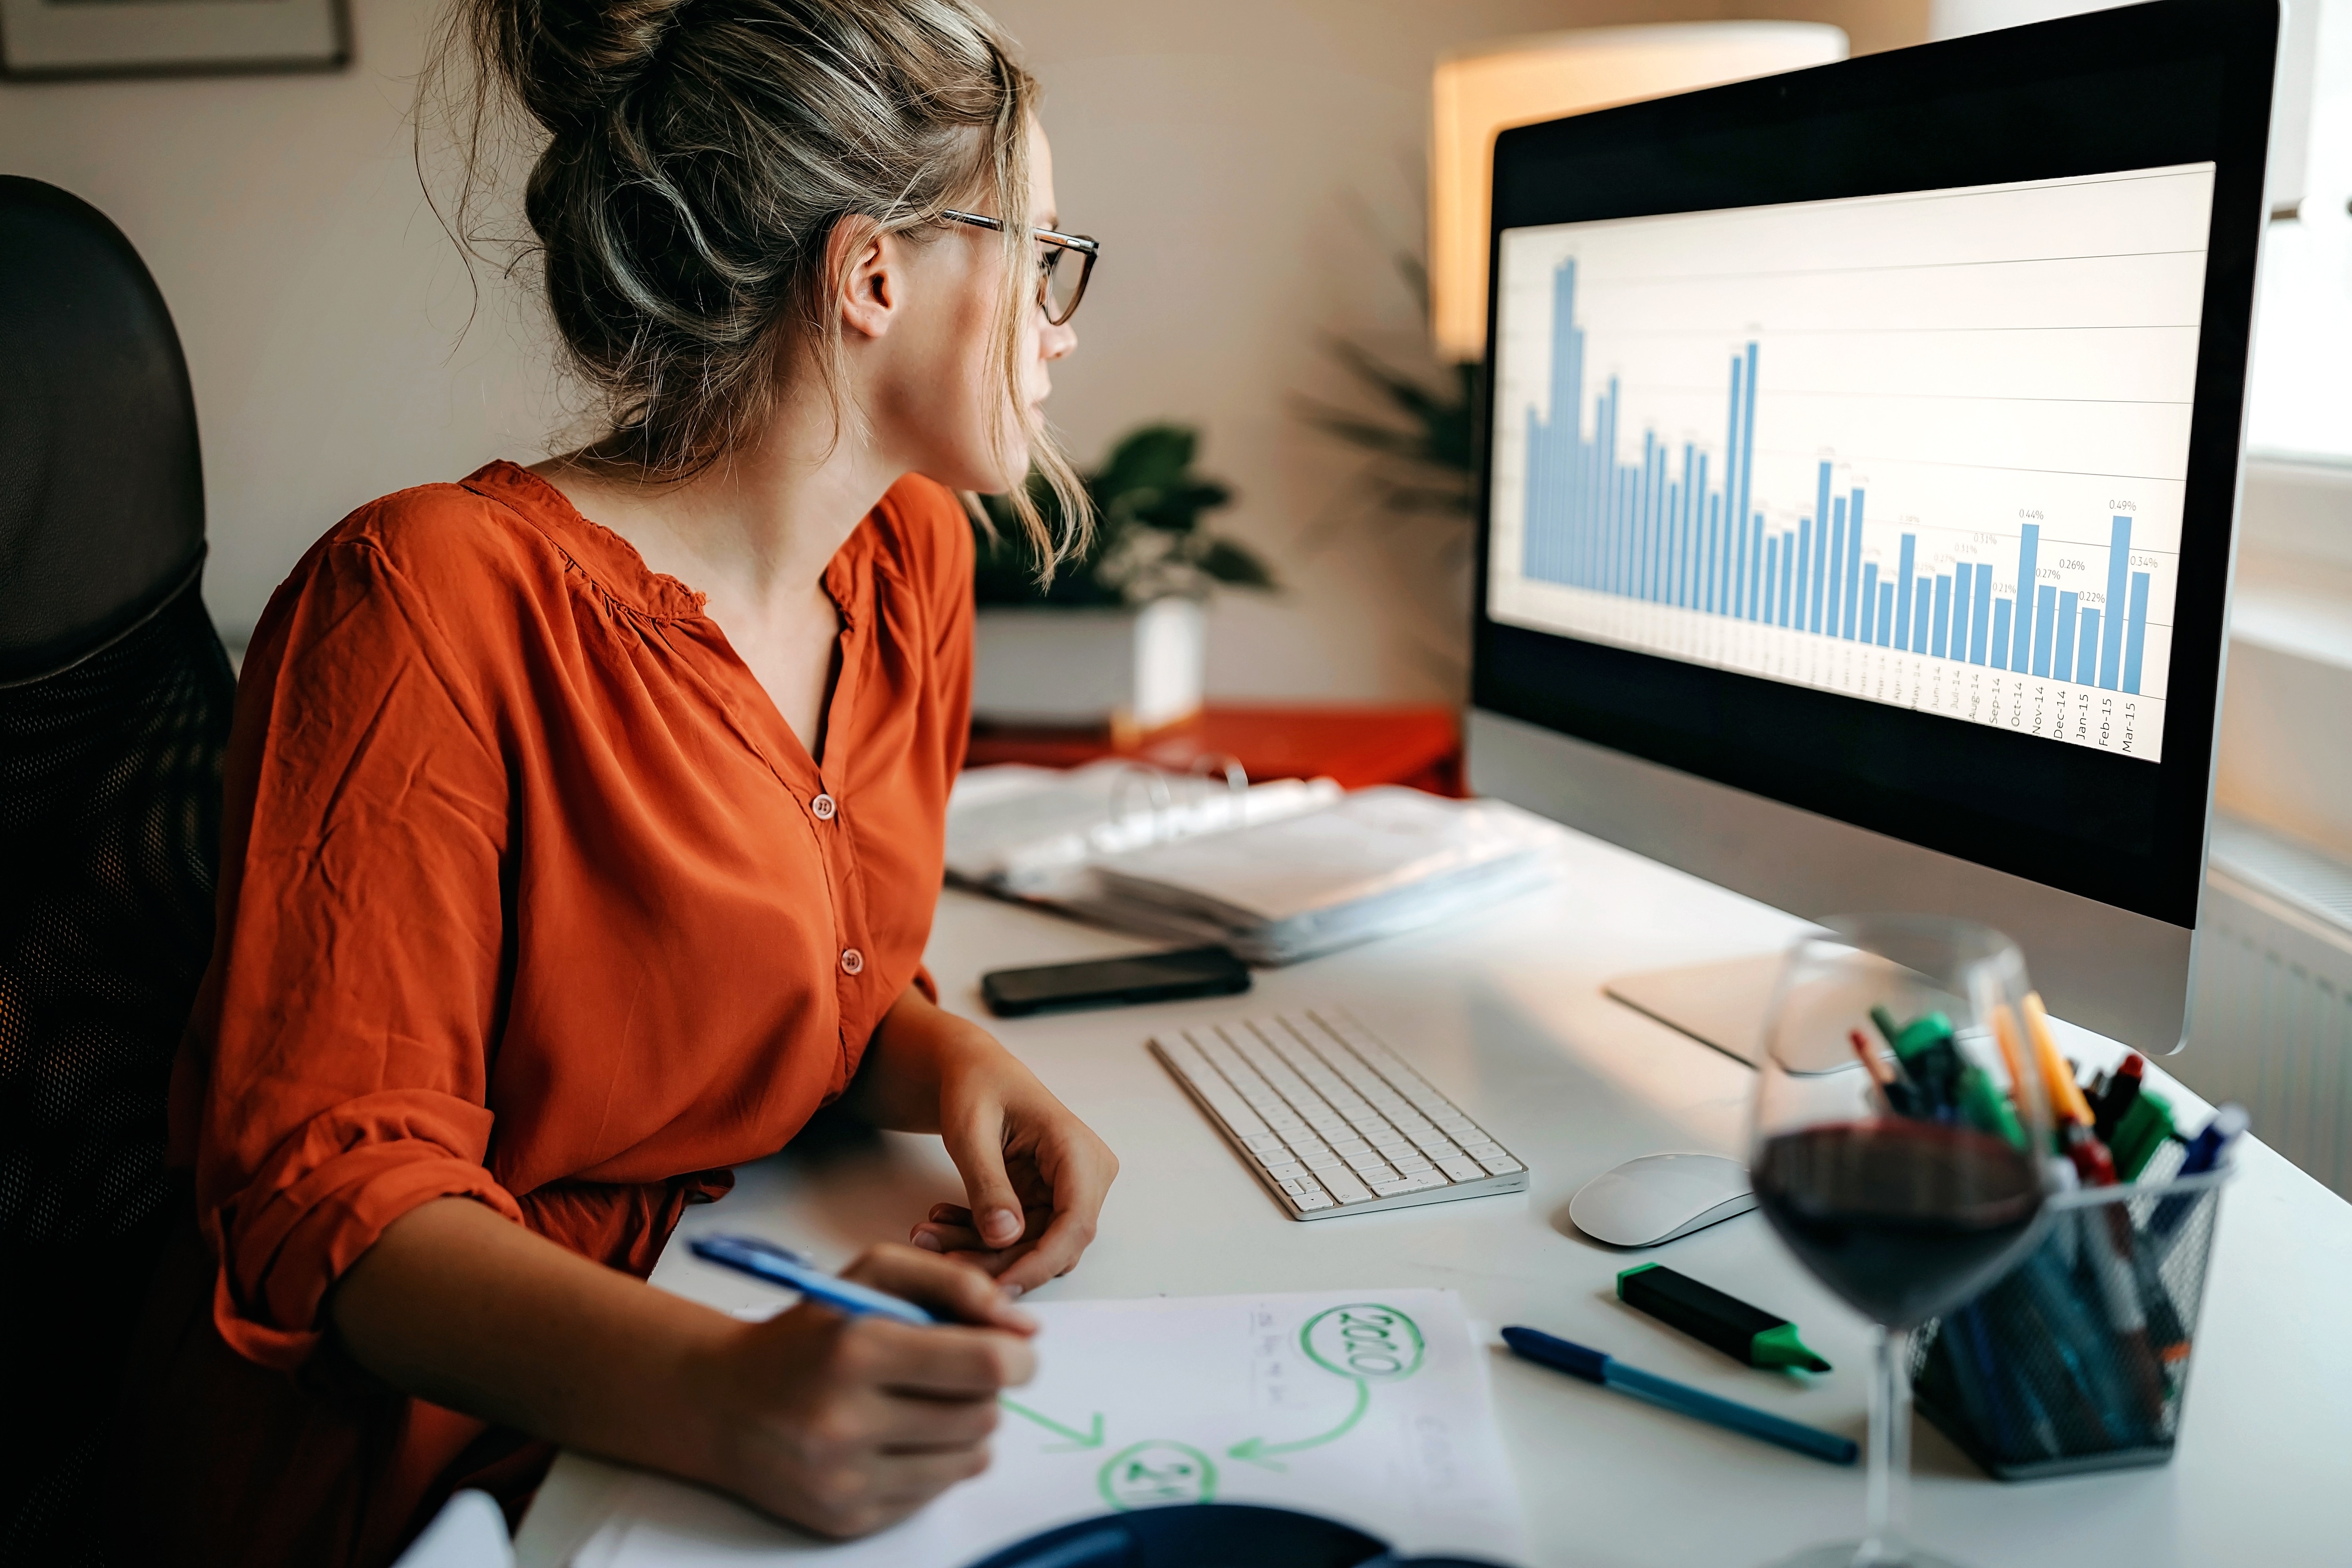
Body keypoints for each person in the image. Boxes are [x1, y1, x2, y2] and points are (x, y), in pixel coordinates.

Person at [116, 1, 1118, 1561]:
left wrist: (946, 1064)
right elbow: (336, 1206)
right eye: (1042, 250)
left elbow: (762, 988)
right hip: (436, 1471)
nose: (1061, 323)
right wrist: (730, 1397)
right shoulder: (426, 599)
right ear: (872, 275)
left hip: (722, 1310)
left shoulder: (912, 559)